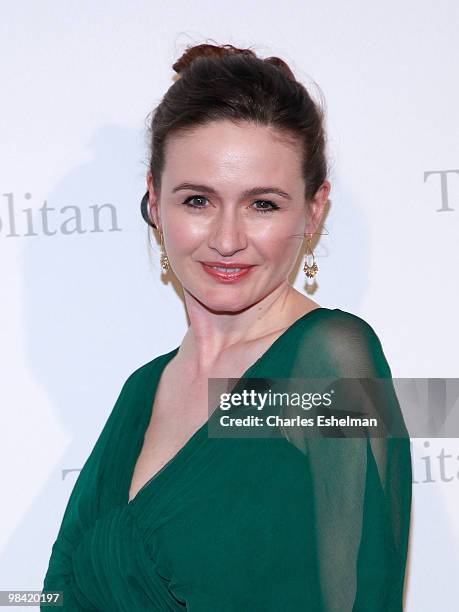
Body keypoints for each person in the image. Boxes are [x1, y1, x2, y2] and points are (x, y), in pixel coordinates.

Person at [41, 43, 412, 611]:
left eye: (263, 204)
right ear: (155, 203)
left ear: (313, 211)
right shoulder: (143, 389)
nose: (228, 238)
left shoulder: (329, 361)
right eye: (198, 200)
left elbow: (363, 596)